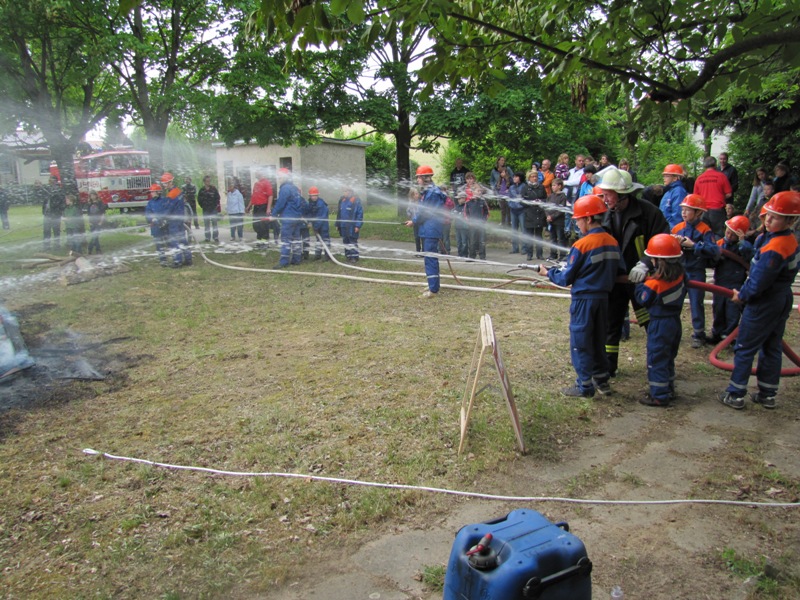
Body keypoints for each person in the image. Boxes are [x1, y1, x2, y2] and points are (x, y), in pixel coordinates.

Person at [718, 191, 800, 410]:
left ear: (790, 220)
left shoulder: (776, 247)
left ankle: (735, 394)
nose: (768, 219)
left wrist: (742, 296)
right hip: (779, 299)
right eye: (768, 215)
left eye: (775, 217)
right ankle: (767, 393)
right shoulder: (785, 239)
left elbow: (759, 280)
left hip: (765, 302)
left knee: (745, 346)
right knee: (772, 345)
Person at [536, 195, 622, 398]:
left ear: (589, 219)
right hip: (603, 300)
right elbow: (619, 271)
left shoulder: (582, 245)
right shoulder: (612, 242)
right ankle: (602, 380)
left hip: (584, 301)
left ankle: (584, 386)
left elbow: (566, 278)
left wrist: (547, 273)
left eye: (578, 220)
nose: (577, 224)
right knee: (598, 340)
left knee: (581, 341)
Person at [600, 166, 669, 377]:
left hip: (643, 282)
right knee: (611, 325)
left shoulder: (649, 214)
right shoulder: (606, 214)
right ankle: (608, 368)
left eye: (608, 194)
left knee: (652, 324)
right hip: (617, 281)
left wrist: (645, 264)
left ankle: (661, 369)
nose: (604, 198)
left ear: (622, 195)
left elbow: (663, 241)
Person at [633, 234, 687, 407]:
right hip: (674, 323)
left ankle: (659, 395)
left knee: (656, 360)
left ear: (657, 261)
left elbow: (643, 299)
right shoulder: (681, 277)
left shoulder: (653, 284)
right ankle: (669, 388)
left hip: (659, 325)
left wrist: (639, 283)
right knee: (668, 357)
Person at [671, 194, 719, 348]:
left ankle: (699, 334)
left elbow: (714, 250)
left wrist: (693, 246)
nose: (684, 213)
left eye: (688, 210)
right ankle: (673, 331)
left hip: (696, 271)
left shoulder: (705, 230)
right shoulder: (678, 228)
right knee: (675, 302)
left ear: (698, 212)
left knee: (696, 303)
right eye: (683, 210)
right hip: (679, 270)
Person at [709, 215, 754, 345]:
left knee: (732, 311)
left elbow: (750, 256)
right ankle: (717, 333)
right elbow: (711, 260)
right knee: (718, 309)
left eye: (732, 234)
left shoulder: (743, 247)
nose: (728, 235)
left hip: (736, 283)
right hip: (720, 282)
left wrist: (742, 242)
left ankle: (730, 335)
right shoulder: (719, 244)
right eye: (727, 231)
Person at [405, 165, 447, 298]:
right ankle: (432, 284)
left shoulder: (432, 193)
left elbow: (424, 212)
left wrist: (414, 221)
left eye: (418, 178)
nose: (417, 180)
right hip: (428, 228)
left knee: (430, 258)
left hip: (430, 229)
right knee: (429, 258)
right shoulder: (428, 192)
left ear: (424, 178)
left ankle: (433, 290)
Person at [272, 169, 307, 267]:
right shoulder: (294, 188)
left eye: (280, 177)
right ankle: (296, 259)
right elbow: (301, 203)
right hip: (296, 218)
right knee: (296, 239)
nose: (279, 179)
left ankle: (284, 262)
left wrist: (273, 215)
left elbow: (280, 203)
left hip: (288, 219)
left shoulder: (285, 189)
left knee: (286, 240)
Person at [693, 156, 732, 237]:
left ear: (704, 166)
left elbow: (695, 197)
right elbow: (729, 194)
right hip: (717, 209)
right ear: (715, 164)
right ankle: (717, 248)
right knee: (719, 234)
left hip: (703, 211)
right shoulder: (721, 176)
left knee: (704, 233)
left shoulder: (699, 179)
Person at [161, 172, 192, 267]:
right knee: (183, 240)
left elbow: (167, 209)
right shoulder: (179, 191)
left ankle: (177, 261)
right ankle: (188, 259)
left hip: (173, 221)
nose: (164, 185)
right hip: (180, 219)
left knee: (174, 241)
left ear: (170, 182)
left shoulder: (171, 195)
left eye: (165, 183)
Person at [521, 167, 547, 260]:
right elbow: (522, 201)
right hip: (529, 214)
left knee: (539, 236)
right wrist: (531, 202)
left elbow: (545, 199)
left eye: (535, 176)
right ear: (529, 178)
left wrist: (540, 201)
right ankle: (529, 254)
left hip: (539, 214)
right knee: (530, 236)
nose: (534, 178)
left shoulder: (541, 187)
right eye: (532, 177)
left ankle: (540, 254)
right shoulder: (525, 188)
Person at [463, 173, 489, 260]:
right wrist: (469, 221)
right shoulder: (468, 202)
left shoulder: (482, 201)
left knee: (482, 241)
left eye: (480, 191)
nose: (479, 192)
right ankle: (472, 256)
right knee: (472, 241)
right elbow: (466, 213)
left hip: (481, 224)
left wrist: (484, 220)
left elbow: (487, 212)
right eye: (477, 191)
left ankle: (482, 257)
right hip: (472, 225)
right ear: (473, 192)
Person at [335, 185, 363, 263]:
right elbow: (339, 213)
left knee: (352, 241)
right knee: (345, 240)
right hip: (343, 225)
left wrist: (358, 225)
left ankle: (354, 257)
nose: (345, 193)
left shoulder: (356, 201)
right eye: (344, 191)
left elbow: (359, 214)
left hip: (352, 226)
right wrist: (337, 224)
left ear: (350, 191)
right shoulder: (342, 200)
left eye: (346, 191)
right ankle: (348, 256)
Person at [247, 170, 274, 246]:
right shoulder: (256, 184)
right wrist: (249, 206)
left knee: (263, 225)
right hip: (256, 207)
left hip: (263, 206)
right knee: (256, 225)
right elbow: (253, 197)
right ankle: (259, 241)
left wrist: (268, 208)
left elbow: (270, 195)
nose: (255, 173)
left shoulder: (266, 183)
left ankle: (264, 243)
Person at [145, 183, 169, 266]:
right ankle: (163, 260)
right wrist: (151, 219)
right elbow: (147, 213)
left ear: (158, 192)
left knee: (169, 242)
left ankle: (176, 257)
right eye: (151, 192)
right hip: (155, 227)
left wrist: (164, 220)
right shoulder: (150, 203)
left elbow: (167, 211)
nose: (151, 193)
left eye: (153, 192)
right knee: (159, 244)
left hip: (165, 226)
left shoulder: (164, 200)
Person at [305, 186, 331, 260]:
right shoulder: (310, 203)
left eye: (315, 195)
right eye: (312, 196)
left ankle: (327, 255)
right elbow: (309, 213)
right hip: (316, 224)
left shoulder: (321, 204)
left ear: (317, 195)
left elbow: (321, 217)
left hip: (323, 225)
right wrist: (309, 221)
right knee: (318, 240)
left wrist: (315, 227)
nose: (313, 197)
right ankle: (318, 254)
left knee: (325, 239)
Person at [659, 164, 688, 228]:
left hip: (672, 229)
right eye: (664, 176)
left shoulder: (679, 191)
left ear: (675, 178)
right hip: (665, 227)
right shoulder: (669, 191)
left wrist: (672, 230)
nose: (664, 178)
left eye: (667, 176)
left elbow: (677, 216)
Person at [546, 178, 568, 259]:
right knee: (552, 238)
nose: (552, 187)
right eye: (552, 185)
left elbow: (561, 210)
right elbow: (546, 207)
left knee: (561, 239)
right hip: (551, 222)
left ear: (559, 186)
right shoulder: (550, 196)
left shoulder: (563, 197)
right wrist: (548, 215)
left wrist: (552, 216)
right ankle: (553, 254)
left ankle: (562, 255)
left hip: (559, 222)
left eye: (554, 185)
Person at [43, 175, 65, 252]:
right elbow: (44, 200)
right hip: (47, 213)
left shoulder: (58, 190)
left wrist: (58, 210)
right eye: (49, 179)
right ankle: (46, 246)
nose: (49, 181)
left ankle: (57, 246)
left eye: (51, 179)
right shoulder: (47, 189)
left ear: (55, 181)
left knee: (56, 230)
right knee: (46, 231)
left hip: (55, 214)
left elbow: (60, 201)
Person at [197, 175, 221, 242]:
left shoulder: (213, 189)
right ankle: (207, 237)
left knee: (214, 224)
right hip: (205, 210)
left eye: (209, 181)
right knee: (207, 224)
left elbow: (218, 197)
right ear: (204, 182)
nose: (208, 182)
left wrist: (215, 205)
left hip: (213, 209)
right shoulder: (201, 190)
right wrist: (203, 206)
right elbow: (199, 199)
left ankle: (215, 237)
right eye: (207, 181)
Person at [508, 171, 526, 254]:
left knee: (523, 230)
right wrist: (511, 205)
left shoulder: (524, 186)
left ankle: (524, 249)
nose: (514, 178)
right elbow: (509, 198)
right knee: (514, 230)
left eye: (516, 177)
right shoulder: (511, 187)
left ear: (520, 178)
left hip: (522, 210)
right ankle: (515, 248)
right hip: (513, 210)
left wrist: (520, 206)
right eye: (514, 177)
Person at [86, 190, 106, 254]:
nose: (92, 196)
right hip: (92, 223)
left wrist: (101, 222)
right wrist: (89, 222)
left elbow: (103, 214)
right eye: (91, 195)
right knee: (94, 237)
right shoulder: (89, 204)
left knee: (95, 236)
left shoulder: (100, 203)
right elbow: (88, 214)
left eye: (93, 195)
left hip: (98, 222)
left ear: (96, 195)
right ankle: (97, 250)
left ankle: (90, 249)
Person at [453, 190, 469, 258]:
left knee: (464, 242)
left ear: (464, 198)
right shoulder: (457, 206)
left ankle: (465, 254)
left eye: (460, 198)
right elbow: (453, 213)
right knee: (459, 242)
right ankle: (460, 254)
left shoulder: (467, 206)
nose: (458, 200)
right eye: (458, 199)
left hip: (464, 227)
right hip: (457, 226)